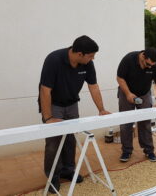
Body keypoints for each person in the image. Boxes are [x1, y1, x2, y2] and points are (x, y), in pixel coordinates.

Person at [38, 35, 110, 193]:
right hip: (54, 105)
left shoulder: (88, 64)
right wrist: (48, 117)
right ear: (79, 54)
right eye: (90, 55)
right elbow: (45, 90)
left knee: (70, 140)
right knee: (53, 143)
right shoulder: (54, 59)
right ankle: (53, 178)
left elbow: (93, 86)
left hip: (71, 104)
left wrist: (102, 109)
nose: (93, 59)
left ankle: (68, 171)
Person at [117, 47, 156, 162]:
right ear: (143, 56)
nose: (150, 67)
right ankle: (126, 151)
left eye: (152, 65)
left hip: (144, 93)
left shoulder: (155, 64)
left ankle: (149, 150)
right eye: (148, 64)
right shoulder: (129, 59)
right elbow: (120, 78)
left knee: (145, 122)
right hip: (126, 91)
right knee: (125, 123)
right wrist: (128, 94)